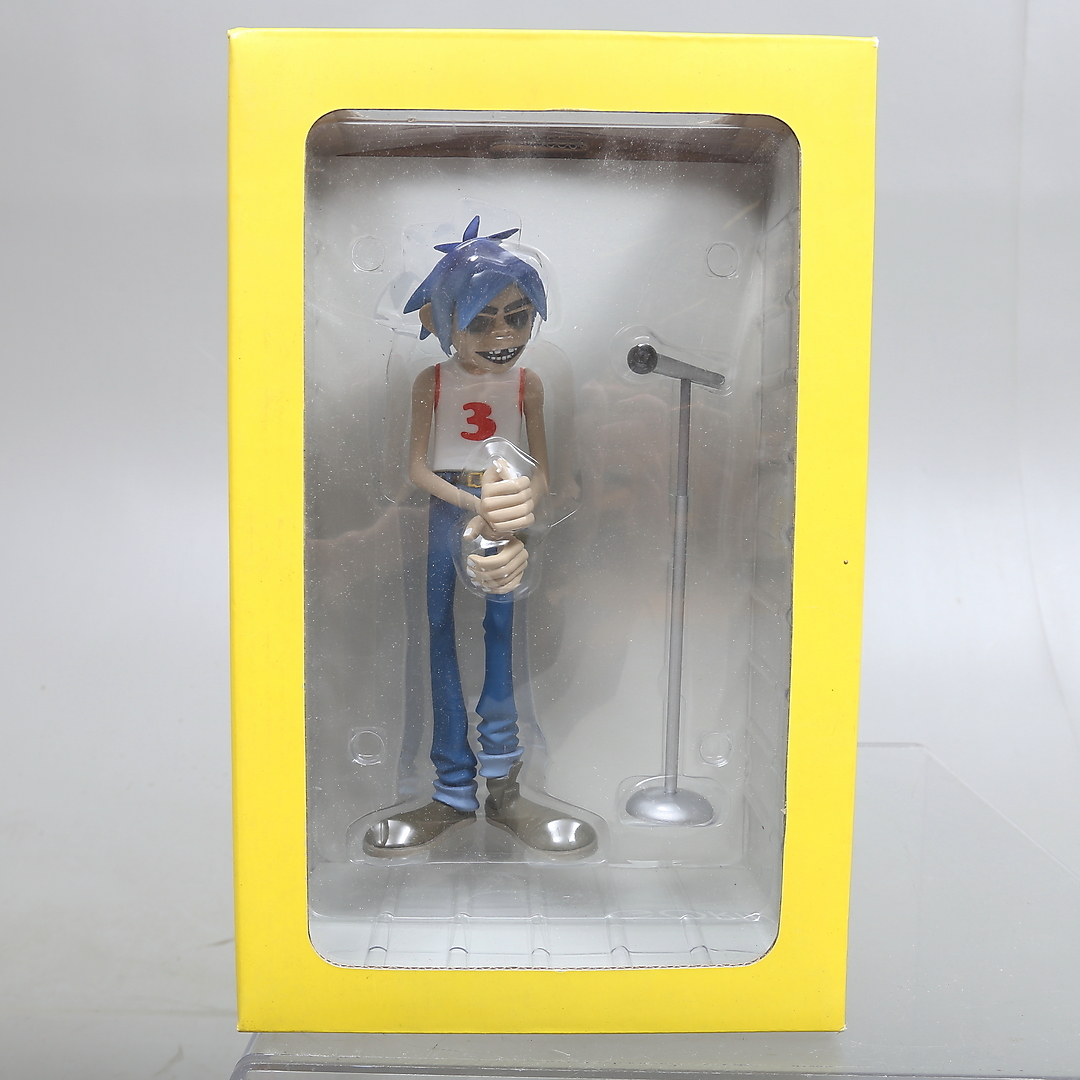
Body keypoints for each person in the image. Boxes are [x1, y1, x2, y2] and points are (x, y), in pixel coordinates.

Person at [363, 217, 596, 857]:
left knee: (503, 638)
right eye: (482, 320)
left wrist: (518, 503)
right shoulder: (432, 382)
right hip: (449, 510)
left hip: (507, 510)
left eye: (517, 318)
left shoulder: (529, 384)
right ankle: (451, 790)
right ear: (444, 321)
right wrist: (474, 503)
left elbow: (545, 471)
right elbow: (415, 468)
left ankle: (506, 787)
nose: (503, 336)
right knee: (438, 636)